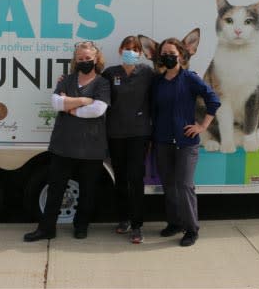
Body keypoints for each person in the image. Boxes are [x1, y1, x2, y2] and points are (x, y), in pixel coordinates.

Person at [23, 41, 111, 242]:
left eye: (88, 58)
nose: (84, 61)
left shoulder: (102, 83)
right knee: (55, 189)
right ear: (75, 60)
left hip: (92, 148)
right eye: (80, 59)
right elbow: (55, 103)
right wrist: (82, 101)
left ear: (96, 59)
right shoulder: (66, 80)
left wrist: (68, 105)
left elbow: (97, 110)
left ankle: (81, 227)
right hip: (63, 146)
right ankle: (46, 229)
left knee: (88, 191)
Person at [151, 37, 220, 247]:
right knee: (169, 187)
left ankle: (191, 229)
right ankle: (174, 223)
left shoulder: (190, 78)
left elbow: (213, 100)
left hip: (186, 144)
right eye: (164, 54)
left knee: (184, 186)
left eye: (172, 54)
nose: (168, 57)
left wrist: (202, 126)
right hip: (163, 142)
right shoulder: (158, 82)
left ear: (180, 56)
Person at [101, 36, 154, 244]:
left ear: (140, 53)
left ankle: (137, 225)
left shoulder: (147, 73)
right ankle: (123, 219)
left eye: (135, 49)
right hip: (115, 134)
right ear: (120, 50)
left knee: (135, 179)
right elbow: (94, 88)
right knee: (120, 179)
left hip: (139, 134)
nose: (131, 51)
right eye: (127, 48)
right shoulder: (110, 73)